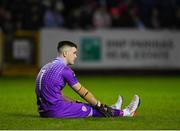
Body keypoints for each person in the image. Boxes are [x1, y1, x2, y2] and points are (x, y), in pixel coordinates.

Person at [35, 41, 140, 118]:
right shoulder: (64, 70)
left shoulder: (46, 66)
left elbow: (58, 95)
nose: (76, 56)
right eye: (74, 53)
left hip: (43, 111)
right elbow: (83, 92)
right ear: (65, 54)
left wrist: (76, 102)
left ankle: (113, 108)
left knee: (83, 105)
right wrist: (99, 105)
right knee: (92, 109)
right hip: (56, 111)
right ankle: (125, 113)